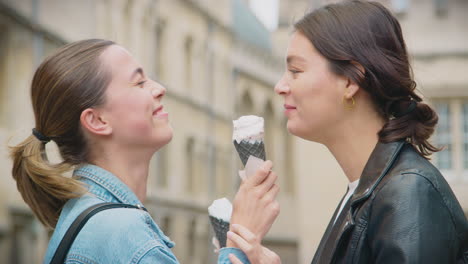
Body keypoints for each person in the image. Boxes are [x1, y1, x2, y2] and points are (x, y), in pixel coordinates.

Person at [227, 1, 468, 263]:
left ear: (351, 81)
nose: (280, 86)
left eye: (296, 71)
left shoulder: (408, 193)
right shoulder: (364, 191)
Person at [9, 39, 280, 263]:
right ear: (97, 120)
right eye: (139, 83)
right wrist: (242, 238)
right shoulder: (125, 235)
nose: (159, 89)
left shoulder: (86, 215)